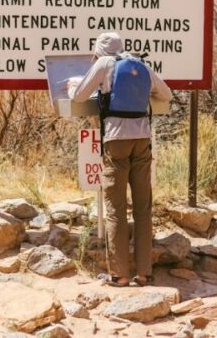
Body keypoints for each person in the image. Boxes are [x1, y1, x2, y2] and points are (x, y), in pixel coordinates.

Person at [71, 32, 172, 287]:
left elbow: (80, 96)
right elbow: (167, 94)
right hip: (142, 140)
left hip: (116, 141)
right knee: (143, 208)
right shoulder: (141, 64)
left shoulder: (104, 63)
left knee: (115, 209)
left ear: (99, 50)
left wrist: (75, 86)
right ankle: (145, 272)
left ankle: (119, 274)